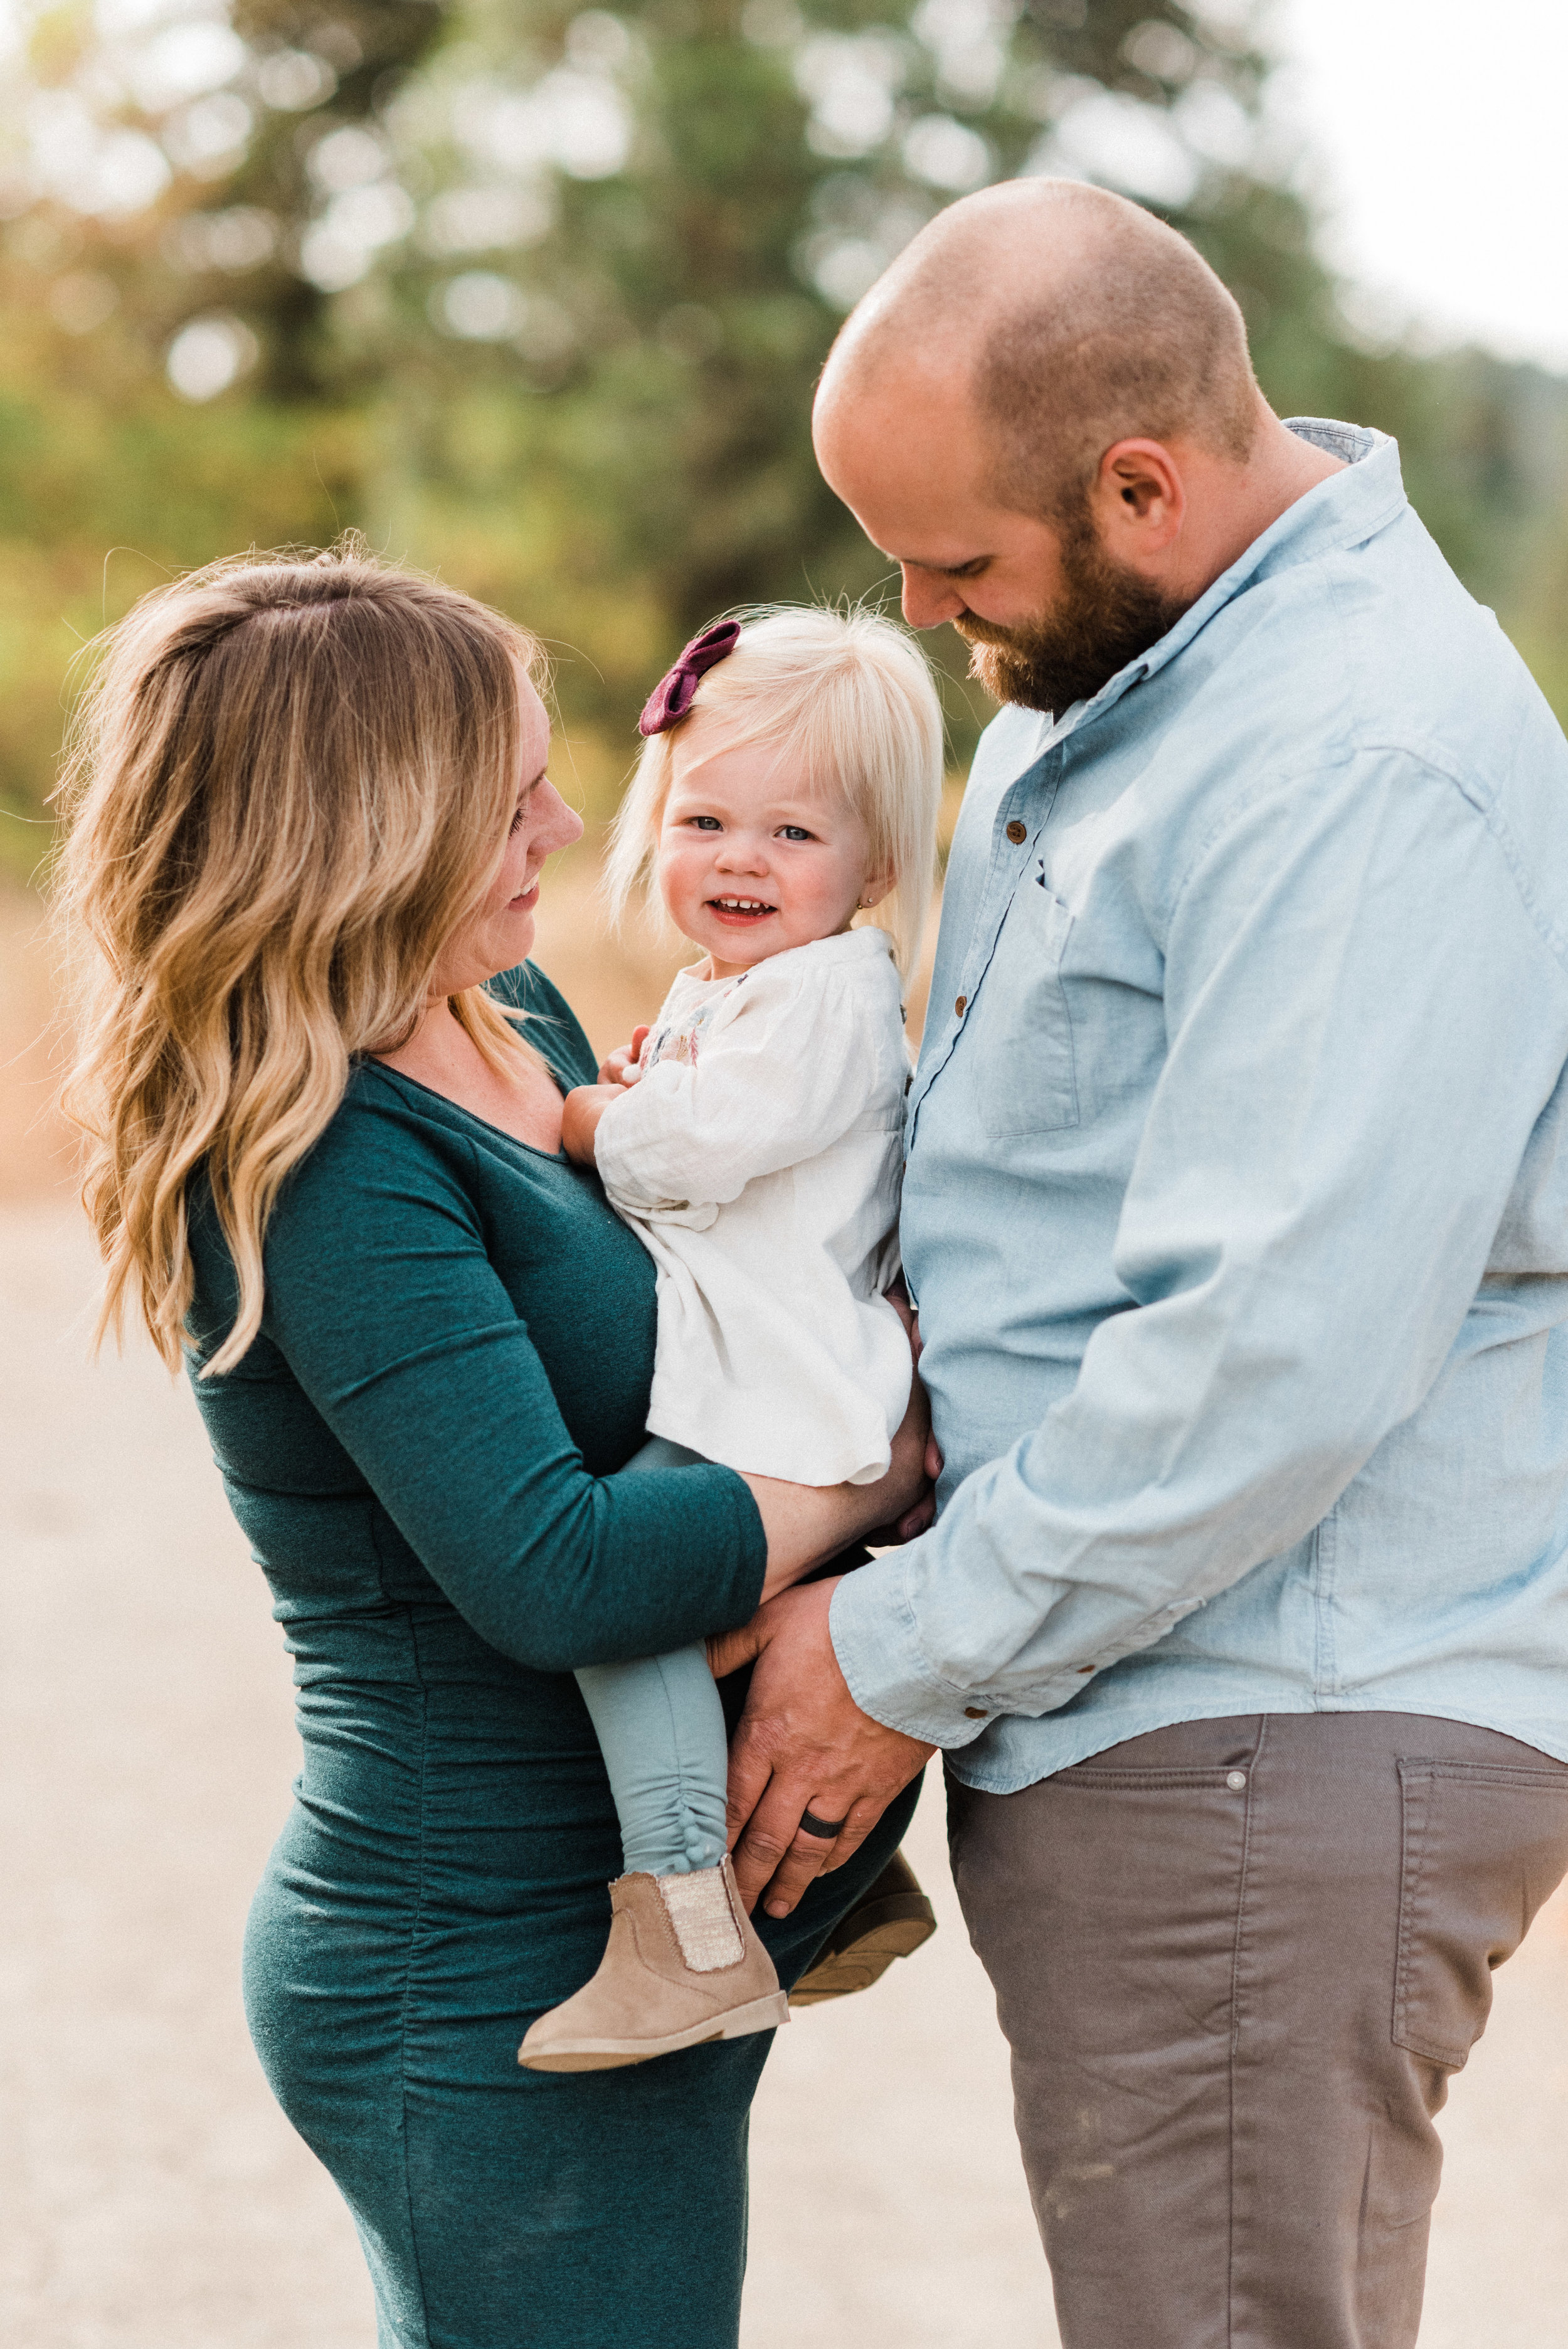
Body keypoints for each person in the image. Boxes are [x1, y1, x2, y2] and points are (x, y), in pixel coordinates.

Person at [711, 177, 1568, 2349]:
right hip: (1186, 1713)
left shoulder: (1352, 759)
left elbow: (1272, 1352)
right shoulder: (1111, 678)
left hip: (1275, 1717)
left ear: (1141, 484)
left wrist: (894, 1646)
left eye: (960, 559)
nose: (910, 607)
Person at [55, 544, 933, 2349]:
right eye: (511, 789)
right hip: (474, 1975)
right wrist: (886, 1469)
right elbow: (560, 1568)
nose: (571, 814)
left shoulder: (504, 1014)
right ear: (370, 823)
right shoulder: (320, 1162)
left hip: (605, 1937)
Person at [517, 605, 943, 2072]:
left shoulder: (828, 996)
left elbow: (692, 1151)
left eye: (790, 833)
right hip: (751, 1364)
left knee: (623, 1599)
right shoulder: (738, 989)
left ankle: (684, 1925)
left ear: (873, 864)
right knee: (704, 1635)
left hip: (771, 1382)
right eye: (705, 818)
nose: (741, 859)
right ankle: (843, 1868)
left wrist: (585, 1116)